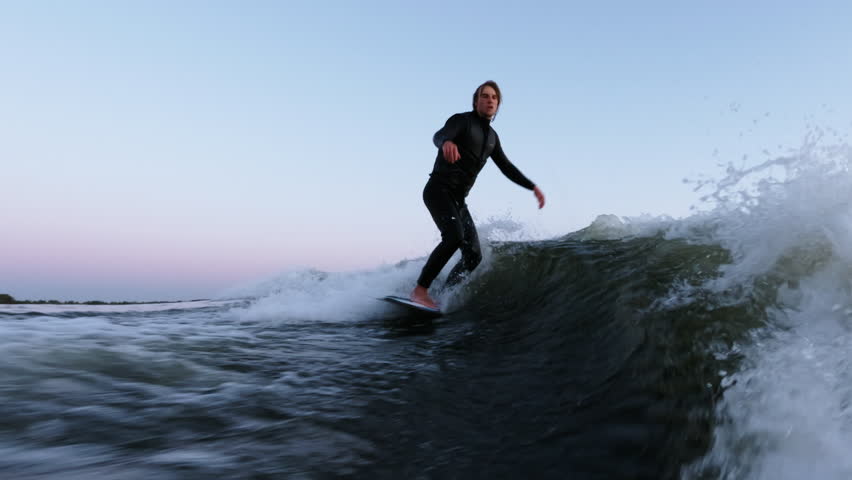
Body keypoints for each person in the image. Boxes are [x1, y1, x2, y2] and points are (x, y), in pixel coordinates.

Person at [410, 80, 545, 309]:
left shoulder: (492, 137)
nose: (489, 100)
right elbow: (439, 135)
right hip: (438, 190)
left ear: (498, 104)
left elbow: (506, 167)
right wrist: (446, 143)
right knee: (454, 236)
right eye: (484, 96)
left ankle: (441, 296)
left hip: (458, 200)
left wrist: (532, 187)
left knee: (473, 256)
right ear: (476, 101)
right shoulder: (461, 121)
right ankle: (420, 290)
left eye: (494, 97)